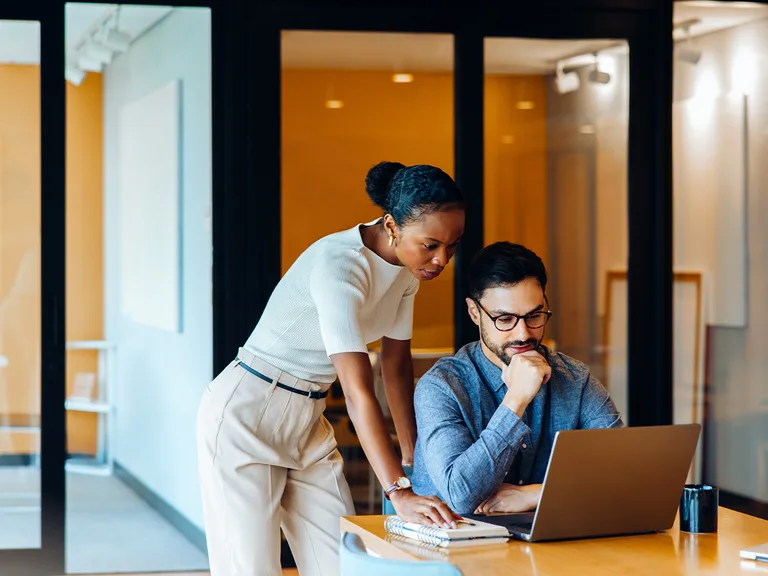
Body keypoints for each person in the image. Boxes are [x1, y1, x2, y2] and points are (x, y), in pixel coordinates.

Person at [197, 161, 464, 576]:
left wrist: (413, 460)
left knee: (343, 564)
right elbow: (358, 391)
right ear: (392, 226)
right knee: (250, 569)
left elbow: (395, 367)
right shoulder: (339, 265)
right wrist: (398, 490)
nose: (442, 259)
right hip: (247, 413)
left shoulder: (408, 273)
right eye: (430, 245)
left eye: (452, 245)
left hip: (308, 417)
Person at [411, 241, 623, 516]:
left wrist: (533, 494)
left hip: (544, 547)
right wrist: (516, 399)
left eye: (534, 315)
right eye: (505, 319)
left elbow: (622, 471)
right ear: (475, 313)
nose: (523, 333)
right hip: (453, 550)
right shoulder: (442, 387)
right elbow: (460, 496)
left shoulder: (575, 379)